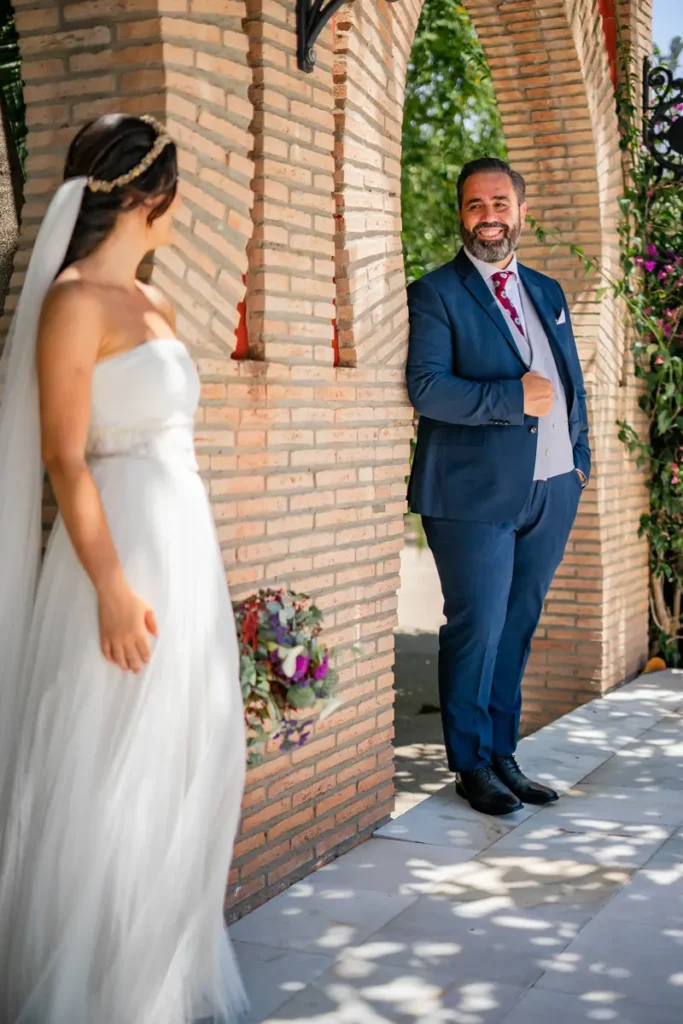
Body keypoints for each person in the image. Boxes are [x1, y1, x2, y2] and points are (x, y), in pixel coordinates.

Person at [0, 114, 247, 1023]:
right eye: (176, 192)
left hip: (185, 546)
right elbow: (65, 457)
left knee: (183, 755)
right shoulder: (72, 302)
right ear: (147, 195)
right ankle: (94, 989)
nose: (182, 209)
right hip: (116, 557)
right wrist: (109, 587)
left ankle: (158, 981)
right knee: (108, 768)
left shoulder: (156, 303)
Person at [406, 157, 590, 817]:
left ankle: (504, 753)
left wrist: (579, 462)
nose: (489, 217)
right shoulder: (436, 293)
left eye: (499, 204)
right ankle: (470, 765)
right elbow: (427, 389)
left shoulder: (546, 290)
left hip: (551, 489)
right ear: (460, 214)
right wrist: (513, 399)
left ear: (520, 211)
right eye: (475, 205)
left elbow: (570, 382)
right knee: (476, 628)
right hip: (471, 496)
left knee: (516, 627)